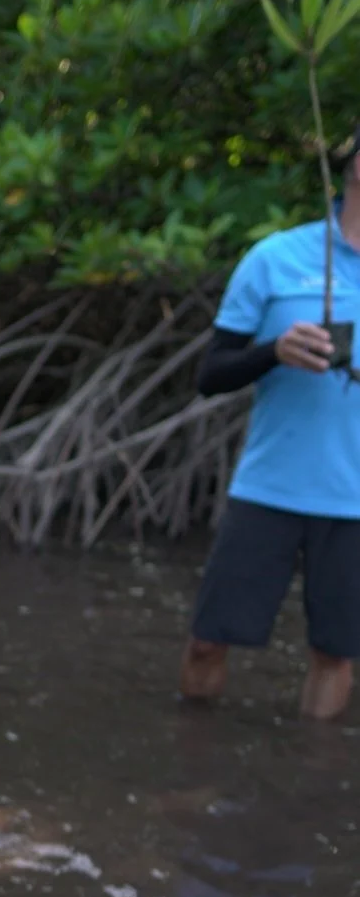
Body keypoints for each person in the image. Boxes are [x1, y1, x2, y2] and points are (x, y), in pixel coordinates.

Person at [181, 128, 360, 719]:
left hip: (355, 502)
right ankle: (192, 770)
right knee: (208, 641)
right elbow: (211, 375)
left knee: (336, 656)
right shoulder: (276, 257)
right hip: (269, 489)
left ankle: (303, 793)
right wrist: (274, 351)